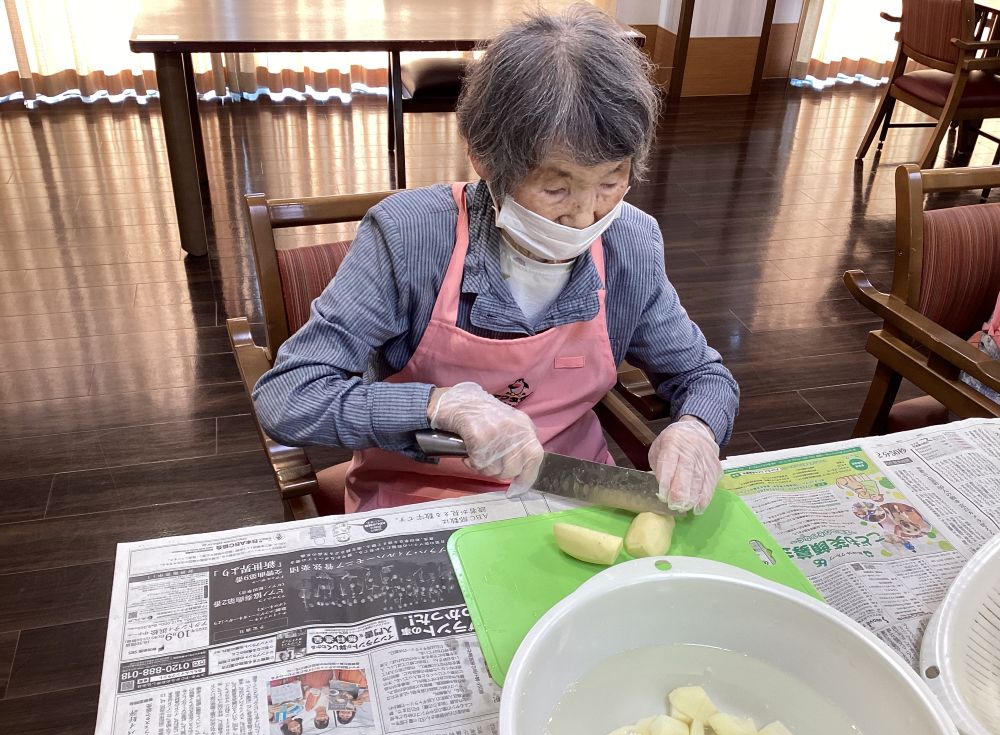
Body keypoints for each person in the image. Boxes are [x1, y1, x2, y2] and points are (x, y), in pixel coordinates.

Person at [252, 5, 739, 515]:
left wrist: (696, 429)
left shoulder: (629, 244)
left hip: (571, 493)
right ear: (486, 162)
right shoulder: (412, 236)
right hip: (420, 499)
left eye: (612, 180)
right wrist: (437, 405)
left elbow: (702, 375)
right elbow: (291, 395)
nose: (584, 215)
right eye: (556, 188)